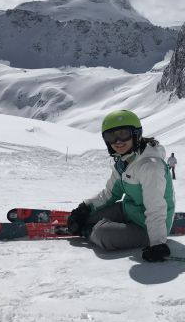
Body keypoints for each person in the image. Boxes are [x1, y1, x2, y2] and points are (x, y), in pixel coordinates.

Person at [66, 110, 176, 262]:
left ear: (136, 134)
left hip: (145, 226)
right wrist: (85, 207)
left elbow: (155, 208)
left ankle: (91, 231)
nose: (118, 141)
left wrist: (157, 243)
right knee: (89, 217)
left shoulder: (150, 166)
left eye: (123, 134)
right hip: (128, 211)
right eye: (111, 136)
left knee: (101, 234)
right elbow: (110, 194)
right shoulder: (123, 162)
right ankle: (94, 225)